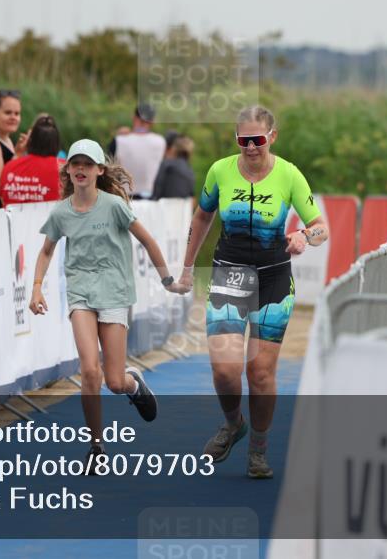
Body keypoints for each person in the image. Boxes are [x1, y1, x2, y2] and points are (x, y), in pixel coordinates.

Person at [176, 105, 329, 479]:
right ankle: (233, 424)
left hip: (273, 279)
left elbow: (320, 227)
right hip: (230, 274)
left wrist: (303, 237)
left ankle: (259, 449)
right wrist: (186, 266)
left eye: (257, 140)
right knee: (225, 371)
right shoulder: (220, 170)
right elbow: (202, 215)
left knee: (259, 373)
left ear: (272, 137)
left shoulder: (289, 175)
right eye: (243, 140)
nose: (250, 147)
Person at [29, 139, 182, 471]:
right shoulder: (62, 211)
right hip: (81, 293)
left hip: (114, 291)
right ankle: (96, 446)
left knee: (113, 381)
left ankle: (132, 383)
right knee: (88, 370)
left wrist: (167, 279)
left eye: (88, 164)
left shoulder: (114, 206)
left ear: (99, 170)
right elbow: (45, 252)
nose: (81, 169)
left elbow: (148, 240)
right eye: (76, 164)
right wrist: (36, 288)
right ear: (67, 170)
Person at [0, 113, 64, 205]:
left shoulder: (10, 167)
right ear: (56, 143)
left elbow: (3, 201)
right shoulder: (66, 168)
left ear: (30, 141)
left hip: (14, 219)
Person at [108, 103, 165, 199]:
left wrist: (118, 135)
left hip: (123, 197)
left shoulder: (119, 140)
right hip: (149, 198)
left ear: (134, 117)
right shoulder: (160, 142)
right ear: (153, 121)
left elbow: (108, 169)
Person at [151, 131, 196, 201]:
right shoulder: (190, 170)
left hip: (164, 207)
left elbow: (157, 191)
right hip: (181, 209)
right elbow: (191, 196)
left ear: (173, 149)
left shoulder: (166, 164)